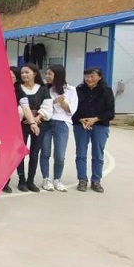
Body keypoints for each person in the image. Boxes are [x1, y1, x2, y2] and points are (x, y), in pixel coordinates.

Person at [71, 67, 115, 193]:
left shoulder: (106, 91)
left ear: (100, 77)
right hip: (81, 125)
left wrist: (95, 119)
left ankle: (96, 181)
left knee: (98, 154)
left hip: (100, 126)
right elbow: (73, 108)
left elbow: (110, 112)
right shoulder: (78, 90)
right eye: (87, 76)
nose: (89, 79)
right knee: (80, 154)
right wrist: (81, 119)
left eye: (92, 76)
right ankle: (82, 180)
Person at [40, 64, 78, 192]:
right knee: (45, 152)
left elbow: (71, 110)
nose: (47, 76)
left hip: (62, 124)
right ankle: (46, 179)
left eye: (50, 74)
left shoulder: (71, 90)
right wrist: (53, 102)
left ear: (58, 75)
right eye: (46, 74)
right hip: (46, 122)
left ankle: (57, 180)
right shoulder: (45, 88)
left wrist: (63, 103)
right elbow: (40, 106)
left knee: (60, 155)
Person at [16, 63, 53, 192]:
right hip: (21, 124)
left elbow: (48, 106)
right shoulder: (18, 88)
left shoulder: (43, 89)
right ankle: (21, 180)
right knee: (20, 152)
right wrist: (25, 117)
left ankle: (30, 181)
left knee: (34, 153)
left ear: (35, 74)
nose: (24, 75)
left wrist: (37, 119)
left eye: (27, 72)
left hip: (39, 124)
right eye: (22, 73)